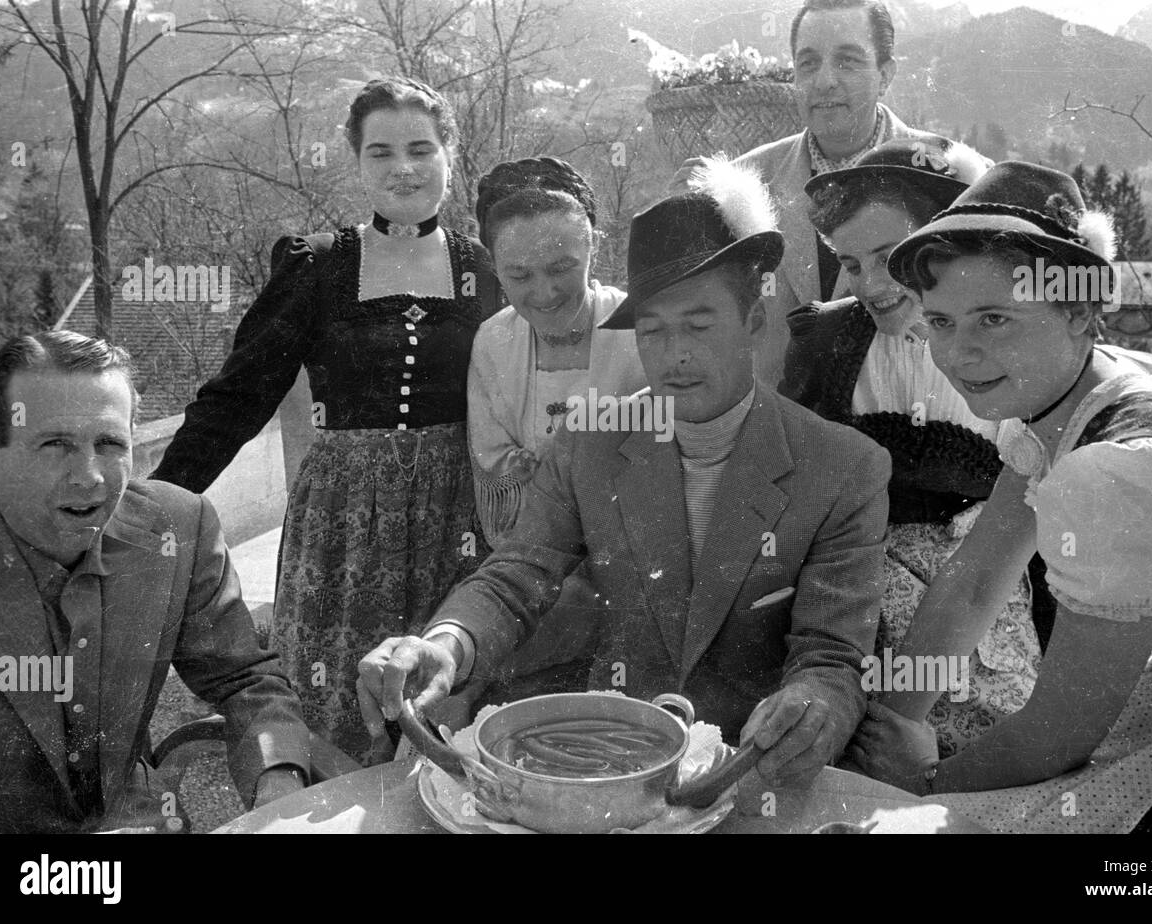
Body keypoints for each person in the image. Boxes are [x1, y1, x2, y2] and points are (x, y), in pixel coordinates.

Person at [357, 156, 892, 789]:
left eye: (698, 324)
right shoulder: (590, 440)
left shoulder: (845, 467)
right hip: (609, 770)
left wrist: (815, 708)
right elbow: (514, 578)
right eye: (654, 330)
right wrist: (445, 643)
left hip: (755, 777)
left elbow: (833, 656)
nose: (676, 354)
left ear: (751, 321)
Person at [844, 162, 1152, 834]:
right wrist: (893, 722)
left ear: (1077, 310)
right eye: (943, 322)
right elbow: (979, 578)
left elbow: (1060, 732)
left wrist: (925, 782)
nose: (961, 353)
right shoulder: (1074, 388)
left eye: (994, 318)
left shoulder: (1123, 474)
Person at [152, 78, 497, 762]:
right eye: (381, 152)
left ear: (450, 155)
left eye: (421, 148)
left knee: (441, 707)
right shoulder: (318, 265)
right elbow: (237, 398)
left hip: (452, 517)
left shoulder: (480, 269)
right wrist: (154, 506)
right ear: (357, 161)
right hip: (344, 525)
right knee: (339, 712)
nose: (403, 167)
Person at [0, 332, 310, 834]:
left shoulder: (178, 526)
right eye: (54, 444)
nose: (88, 477)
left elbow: (244, 680)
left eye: (108, 444)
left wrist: (278, 792)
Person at [782, 136, 1039, 757]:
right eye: (849, 262)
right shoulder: (825, 344)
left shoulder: (1014, 349)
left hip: (985, 590)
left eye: (888, 256)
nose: (871, 284)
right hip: (855, 597)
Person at [671, 0, 934, 387]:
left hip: (914, 427)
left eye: (847, 61)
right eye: (808, 63)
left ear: (886, 74)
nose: (825, 80)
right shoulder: (744, 182)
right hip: (780, 432)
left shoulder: (945, 173)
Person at [463, 157, 646, 705]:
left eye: (563, 267)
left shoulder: (639, 325)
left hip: (633, 558)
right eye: (519, 275)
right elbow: (496, 465)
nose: (543, 292)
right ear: (496, 270)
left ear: (595, 250)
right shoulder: (493, 342)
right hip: (536, 555)